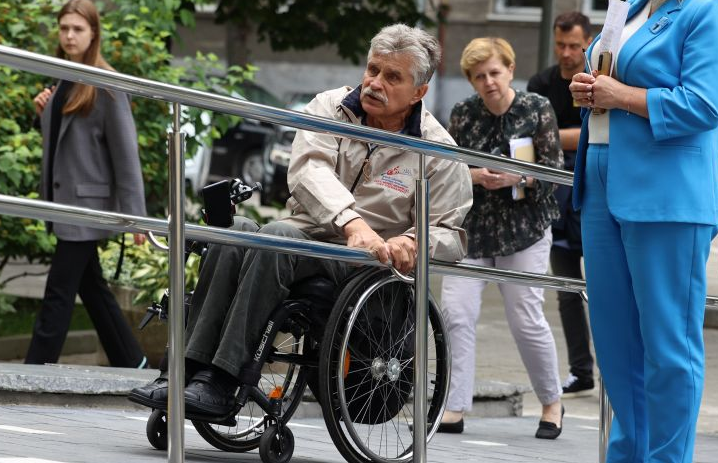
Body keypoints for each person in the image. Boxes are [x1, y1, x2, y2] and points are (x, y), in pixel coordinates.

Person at [129, 24, 473, 417]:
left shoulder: (438, 149)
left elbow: (450, 233)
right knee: (234, 232)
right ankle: (182, 372)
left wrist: (412, 242)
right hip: (314, 234)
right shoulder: (331, 107)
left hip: (366, 264)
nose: (375, 83)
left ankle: (223, 381)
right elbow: (309, 171)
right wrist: (351, 222)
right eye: (373, 69)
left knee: (278, 236)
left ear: (419, 92)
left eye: (392, 77)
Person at [556, 0, 718, 463]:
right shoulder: (635, 4)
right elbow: (611, 82)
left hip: (667, 194)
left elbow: (704, 105)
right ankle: (627, 459)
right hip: (606, 181)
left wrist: (618, 94)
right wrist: (589, 87)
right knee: (614, 334)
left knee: (669, 338)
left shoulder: (707, 10)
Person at [439, 37, 565, 438]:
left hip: (523, 231)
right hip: (473, 231)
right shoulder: (463, 114)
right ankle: (453, 406)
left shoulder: (536, 108)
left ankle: (551, 402)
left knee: (525, 319)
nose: (488, 82)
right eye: (479, 76)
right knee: (455, 313)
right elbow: (448, 170)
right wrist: (475, 176)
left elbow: (553, 172)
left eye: (494, 72)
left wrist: (519, 177)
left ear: (510, 70)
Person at [25, 0, 148, 369]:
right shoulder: (63, 76)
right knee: (92, 290)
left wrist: (136, 216)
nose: (69, 35)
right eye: (64, 28)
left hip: (86, 208)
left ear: (93, 33)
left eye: (77, 29)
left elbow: (126, 155)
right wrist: (42, 114)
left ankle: (34, 370)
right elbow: (64, 140)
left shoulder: (106, 85)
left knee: (58, 294)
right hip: (65, 203)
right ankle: (134, 362)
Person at [528, 11, 596, 396]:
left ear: (587, 43)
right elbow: (531, 135)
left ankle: (615, 371)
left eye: (574, 45)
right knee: (567, 291)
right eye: (561, 45)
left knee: (604, 290)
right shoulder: (542, 82)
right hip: (556, 201)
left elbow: (592, 131)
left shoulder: (595, 82)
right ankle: (581, 371)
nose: (567, 53)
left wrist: (552, 135)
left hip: (591, 196)